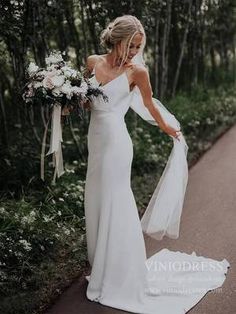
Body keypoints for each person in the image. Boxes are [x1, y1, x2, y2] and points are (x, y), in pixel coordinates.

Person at [84, 15, 230, 314]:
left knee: (116, 200)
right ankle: (101, 263)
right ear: (118, 40)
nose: (136, 51)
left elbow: (149, 105)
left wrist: (169, 129)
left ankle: (121, 272)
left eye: (139, 46)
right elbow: (86, 100)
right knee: (96, 198)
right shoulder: (92, 62)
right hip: (95, 142)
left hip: (117, 145)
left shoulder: (137, 71)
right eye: (132, 45)